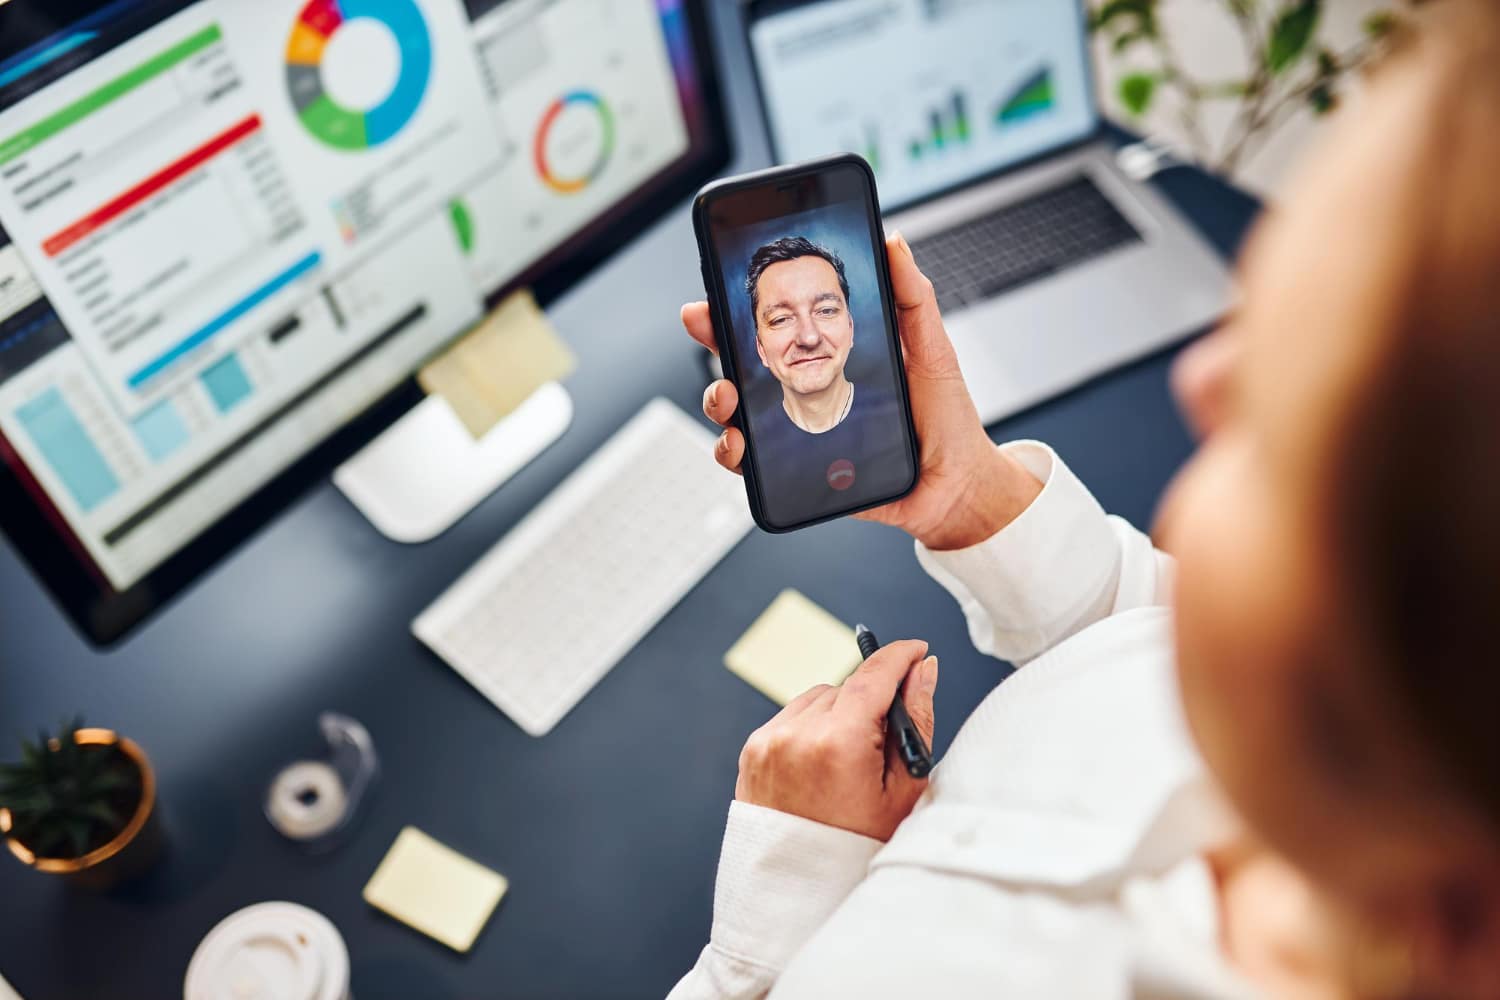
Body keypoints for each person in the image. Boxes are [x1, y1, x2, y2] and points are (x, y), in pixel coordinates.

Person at [670, 3, 1500, 997]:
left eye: (1304, 401)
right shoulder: (1359, 699)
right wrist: (973, 501)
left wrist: (768, 934)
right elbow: (1153, 636)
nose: (1207, 373)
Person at [740, 236, 907, 516]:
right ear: (761, 349)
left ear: (850, 329)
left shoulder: (899, 421)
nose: (809, 337)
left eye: (826, 311)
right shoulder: (756, 451)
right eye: (781, 319)